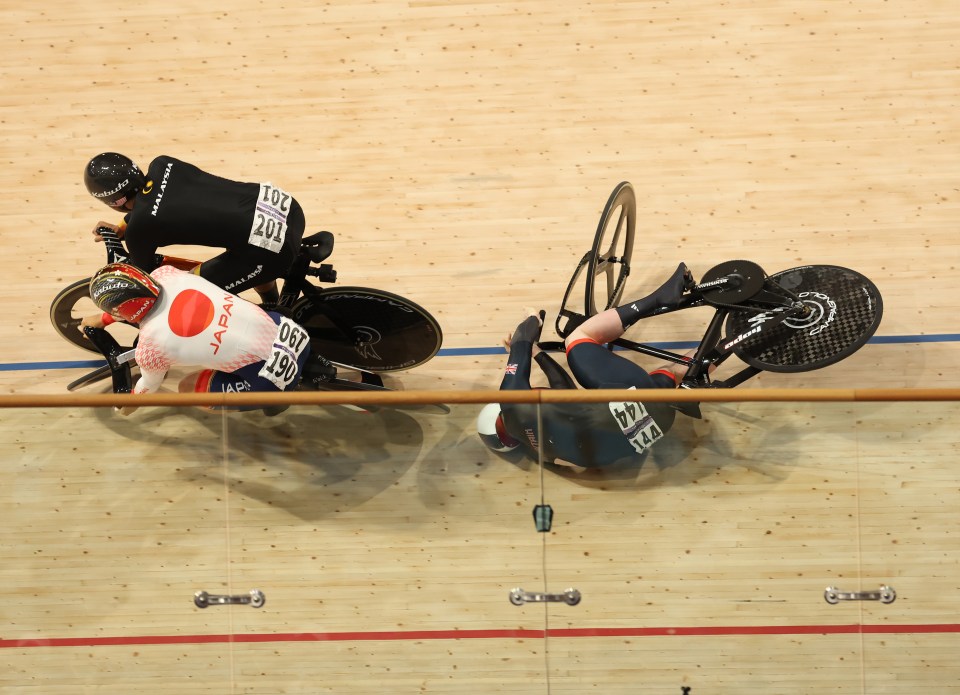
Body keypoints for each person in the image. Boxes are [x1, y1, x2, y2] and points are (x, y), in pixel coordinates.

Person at [481, 263, 705, 470]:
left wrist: (538, 353)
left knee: (672, 373)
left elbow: (563, 388)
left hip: (657, 426)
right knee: (577, 340)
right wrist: (532, 320)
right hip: (629, 402)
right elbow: (521, 339)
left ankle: (731, 343)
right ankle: (659, 299)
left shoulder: (544, 453)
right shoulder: (511, 403)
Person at [80, 262, 334, 415]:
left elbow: (148, 387)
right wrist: (104, 319)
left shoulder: (150, 348)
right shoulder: (167, 274)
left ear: (121, 311)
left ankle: (272, 401)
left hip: (272, 383)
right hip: (295, 333)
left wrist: (129, 405)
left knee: (187, 389)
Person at [83, 152, 307, 306]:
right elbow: (158, 201)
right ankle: (273, 306)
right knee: (248, 257)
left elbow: (143, 281)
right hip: (286, 208)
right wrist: (124, 226)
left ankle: (270, 327)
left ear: (113, 201)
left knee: (189, 293)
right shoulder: (162, 164)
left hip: (270, 249)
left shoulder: (140, 229)